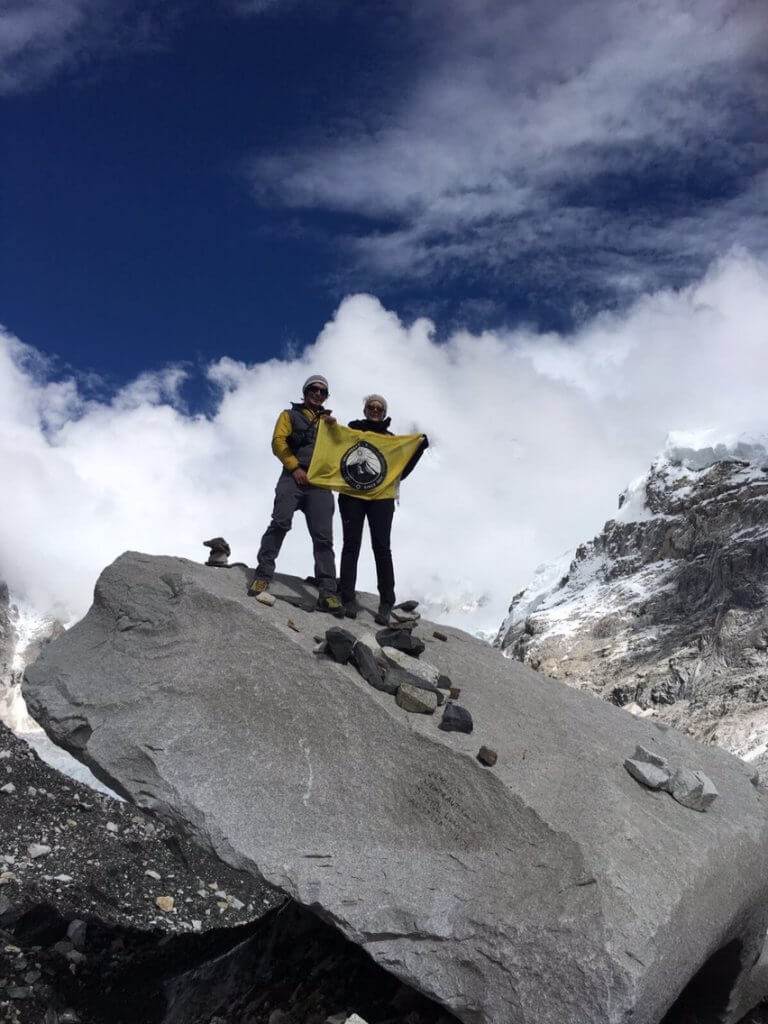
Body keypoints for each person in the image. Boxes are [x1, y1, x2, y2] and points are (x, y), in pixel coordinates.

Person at [249, 375, 343, 615]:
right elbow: (278, 442)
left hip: (320, 484)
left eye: (323, 391)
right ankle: (263, 575)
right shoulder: (288, 416)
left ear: (326, 397)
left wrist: (335, 430)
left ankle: (328, 592)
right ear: (305, 391)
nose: (318, 394)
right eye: (314, 389)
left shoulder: (330, 423)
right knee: (280, 522)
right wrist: (294, 467)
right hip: (292, 477)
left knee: (323, 538)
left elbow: (341, 451)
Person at [339, 394, 428, 624]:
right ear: (365, 410)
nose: (375, 410)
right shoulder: (352, 431)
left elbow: (401, 469)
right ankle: (347, 596)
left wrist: (418, 448)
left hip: (381, 498)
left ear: (384, 412)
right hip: (353, 495)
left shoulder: (391, 441)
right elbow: (337, 452)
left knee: (382, 547)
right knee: (351, 545)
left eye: (379, 407)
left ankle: (386, 602)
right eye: (371, 406)